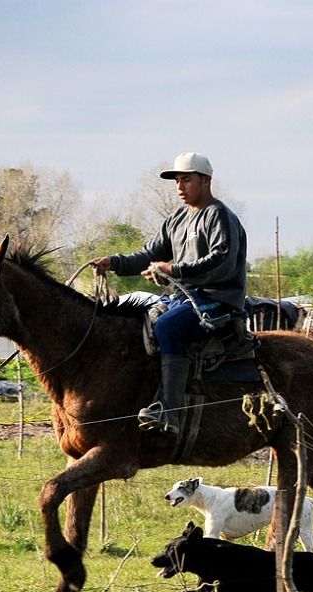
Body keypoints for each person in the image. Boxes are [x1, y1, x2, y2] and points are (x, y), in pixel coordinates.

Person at [90, 151, 248, 435]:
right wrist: (115, 262)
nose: (179, 187)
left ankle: (170, 411)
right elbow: (150, 253)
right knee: (139, 324)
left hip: (218, 300)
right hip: (185, 298)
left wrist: (173, 270)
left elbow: (221, 262)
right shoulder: (176, 219)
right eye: (177, 181)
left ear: (206, 180)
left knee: (167, 326)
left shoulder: (219, 216)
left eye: (186, 180)